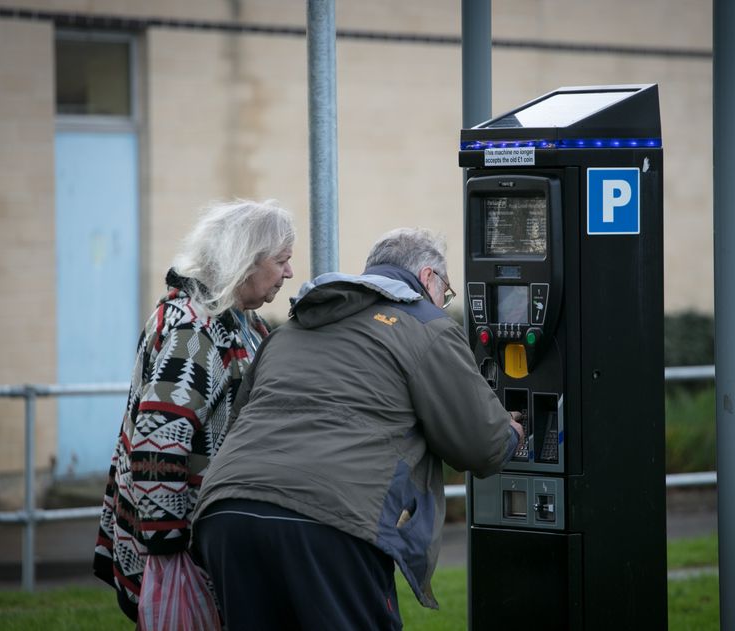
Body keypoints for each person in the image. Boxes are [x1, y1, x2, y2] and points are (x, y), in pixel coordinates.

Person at [192, 227, 524, 630]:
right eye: (446, 293)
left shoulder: (290, 330)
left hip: (227, 513)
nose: (442, 303)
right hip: (328, 520)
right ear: (428, 279)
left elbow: (242, 420)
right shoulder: (426, 326)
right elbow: (480, 444)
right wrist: (512, 432)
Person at [93, 198, 295, 623]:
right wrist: (168, 553)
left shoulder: (241, 321)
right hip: (184, 546)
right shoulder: (194, 328)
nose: (289, 273)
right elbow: (156, 442)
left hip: (208, 536)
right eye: (281, 261)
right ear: (246, 261)